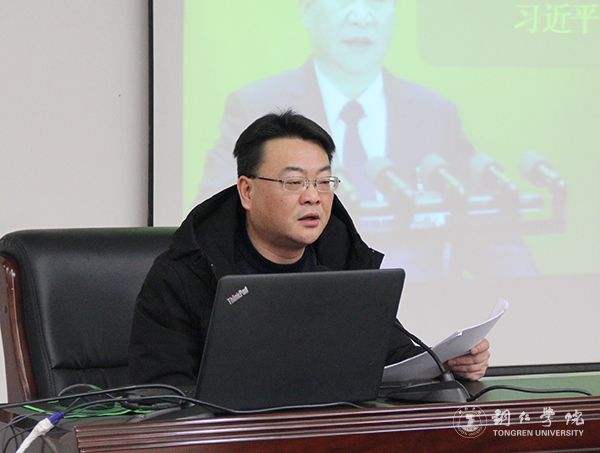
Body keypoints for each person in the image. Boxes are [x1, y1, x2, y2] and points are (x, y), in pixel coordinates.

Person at [129, 110, 490, 387]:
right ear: (247, 192)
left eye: (323, 181)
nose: (313, 196)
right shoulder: (186, 274)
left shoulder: (343, 260)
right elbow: (161, 395)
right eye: (294, 182)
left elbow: (390, 351)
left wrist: (444, 365)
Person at [192, 0, 538, 279]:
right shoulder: (254, 106)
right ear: (307, 10)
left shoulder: (435, 113)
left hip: (418, 313)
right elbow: (212, 229)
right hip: (302, 305)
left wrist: (527, 295)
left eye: (377, 2)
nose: (361, 16)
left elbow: (491, 237)